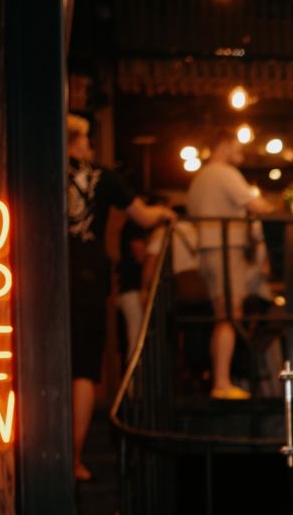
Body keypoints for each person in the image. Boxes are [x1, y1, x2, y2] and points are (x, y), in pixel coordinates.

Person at [66, 114, 174, 480]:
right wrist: (165, 213)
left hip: (42, 268)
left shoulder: (38, 167)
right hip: (86, 272)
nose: (91, 148)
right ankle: (74, 458)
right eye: (88, 142)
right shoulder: (101, 175)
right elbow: (143, 217)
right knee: (82, 370)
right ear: (78, 141)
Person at [185, 133, 281, 399]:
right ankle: (222, 382)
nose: (240, 153)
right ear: (223, 144)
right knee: (230, 314)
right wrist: (276, 211)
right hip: (225, 249)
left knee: (223, 315)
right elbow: (256, 205)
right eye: (236, 147)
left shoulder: (199, 179)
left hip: (207, 251)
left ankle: (220, 379)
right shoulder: (224, 173)